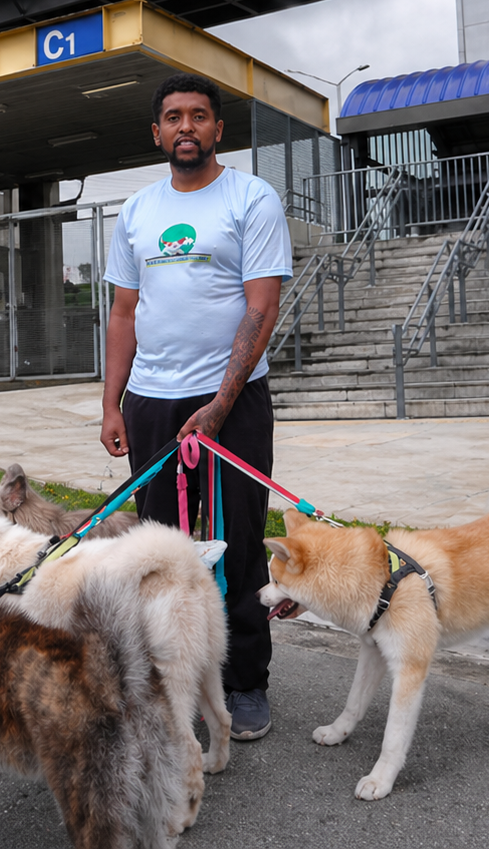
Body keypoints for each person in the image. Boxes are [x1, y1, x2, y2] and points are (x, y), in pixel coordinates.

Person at [99, 72, 292, 742]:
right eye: (174, 116)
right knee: (163, 551)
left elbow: (262, 307)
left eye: (199, 115)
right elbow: (124, 313)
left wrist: (219, 404)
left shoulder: (251, 198)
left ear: (218, 129)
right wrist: (112, 405)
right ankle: (171, 684)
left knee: (238, 544)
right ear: (157, 133)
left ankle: (244, 683)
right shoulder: (137, 211)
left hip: (233, 404)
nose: (187, 126)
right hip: (152, 402)